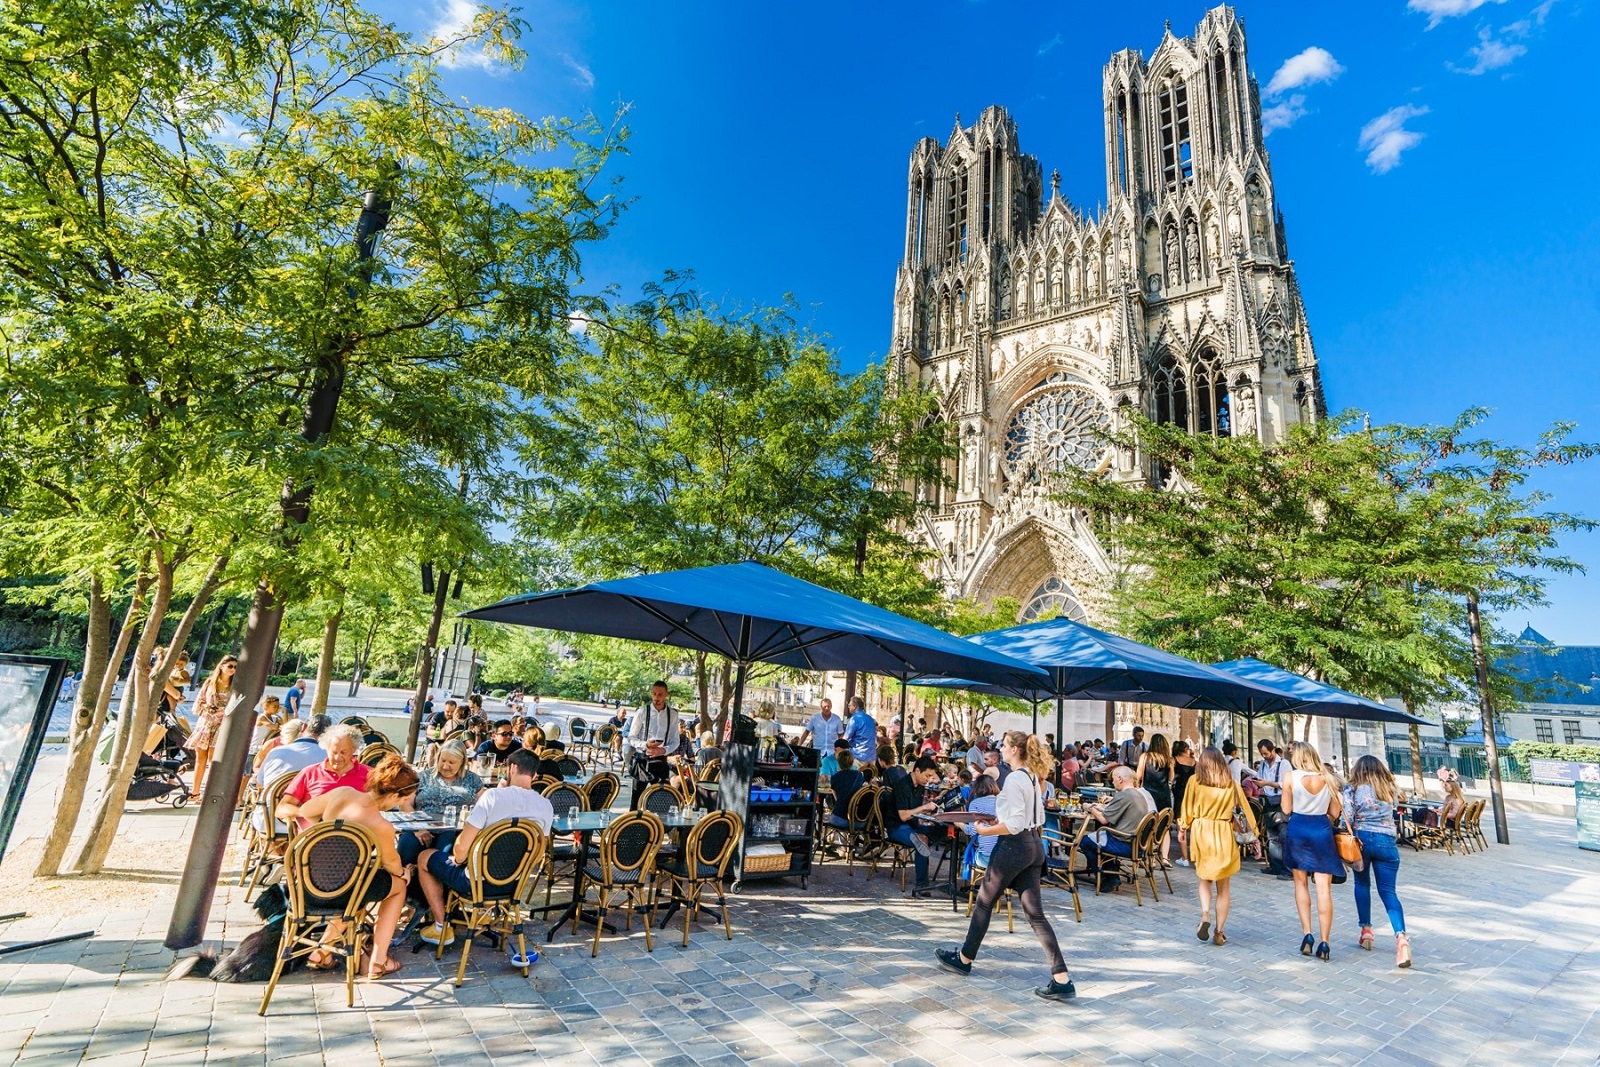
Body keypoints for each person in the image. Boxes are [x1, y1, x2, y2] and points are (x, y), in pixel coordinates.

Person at [936, 731, 1075, 1001]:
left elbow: (1013, 824)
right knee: (1035, 915)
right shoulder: (1033, 777)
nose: (1001, 748)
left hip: (1014, 845)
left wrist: (983, 830)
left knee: (985, 901)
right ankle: (1061, 978)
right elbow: (1033, 816)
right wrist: (995, 821)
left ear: (1014, 750)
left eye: (1004, 745)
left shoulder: (1013, 779)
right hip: (1035, 845)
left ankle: (964, 958)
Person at [416, 748, 554, 946]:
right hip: (513, 884)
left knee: (425, 857)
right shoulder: (545, 805)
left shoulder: (493, 797)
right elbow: (539, 852)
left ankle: (440, 926)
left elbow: (461, 849)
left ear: (512, 768)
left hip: (476, 883)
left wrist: (459, 859)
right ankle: (483, 914)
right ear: (534, 774)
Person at [297, 755, 419, 978]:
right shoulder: (381, 825)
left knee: (359, 880)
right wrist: (405, 872)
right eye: (403, 799)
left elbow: (305, 811)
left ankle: (323, 951)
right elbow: (391, 864)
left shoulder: (342, 793)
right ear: (393, 794)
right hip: (346, 892)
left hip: (309, 884)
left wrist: (326, 838)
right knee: (398, 885)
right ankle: (379, 961)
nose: (401, 804)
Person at [1177, 746, 1258, 947]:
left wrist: (1183, 827)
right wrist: (1254, 837)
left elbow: (1186, 807)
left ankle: (1205, 913)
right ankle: (1219, 932)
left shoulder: (1194, 782)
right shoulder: (1232, 785)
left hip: (1201, 830)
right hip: (1223, 831)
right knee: (1223, 887)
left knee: (1204, 878)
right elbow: (1244, 813)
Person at [1343, 755, 1411, 968]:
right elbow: (1400, 805)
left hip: (1361, 840)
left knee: (1362, 884)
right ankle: (1401, 937)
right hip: (1387, 841)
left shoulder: (1352, 789)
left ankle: (1366, 931)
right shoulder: (1390, 788)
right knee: (1389, 891)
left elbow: (1347, 815)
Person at [1281, 741, 1343, 961]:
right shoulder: (1329, 778)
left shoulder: (1290, 777)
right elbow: (1334, 812)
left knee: (1300, 883)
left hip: (1298, 828)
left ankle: (1307, 934)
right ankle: (1325, 941)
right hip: (1321, 830)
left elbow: (1286, 809)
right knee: (1324, 889)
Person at [400, 739, 485, 864]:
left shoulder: (472, 780)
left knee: (446, 848)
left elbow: (484, 806)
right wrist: (418, 828)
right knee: (407, 843)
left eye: (451, 762)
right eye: (442, 760)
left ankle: (435, 880)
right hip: (420, 826)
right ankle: (405, 879)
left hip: (455, 830)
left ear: (461, 762)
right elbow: (405, 803)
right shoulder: (423, 777)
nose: (445, 766)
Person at [276, 724, 370, 830]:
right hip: (316, 836)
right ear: (326, 749)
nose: (337, 757)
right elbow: (281, 808)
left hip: (357, 836)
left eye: (343, 752)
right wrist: (306, 813)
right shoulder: (310, 772)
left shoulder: (368, 774)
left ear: (353, 750)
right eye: (333, 752)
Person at [1079, 765, 1154, 887]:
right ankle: (1112, 873)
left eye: (1113, 779)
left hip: (1124, 843)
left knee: (1085, 841)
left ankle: (1105, 877)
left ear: (1120, 779)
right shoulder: (1138, 794)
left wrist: (1090, 808)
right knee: (1098, 837)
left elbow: (1103, 820)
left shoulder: (1124, 795)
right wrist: (1101, 808)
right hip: (1137, 844)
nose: (1112, 783)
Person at [880, 755, 943, 890]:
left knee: (943, 829)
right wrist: (924, 808)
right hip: (897, 827)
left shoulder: (920, 785)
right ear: (917, 771)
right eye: (927, 775)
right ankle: (921, 886)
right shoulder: (902, 785)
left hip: (912, 826)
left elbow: (916, 810)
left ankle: (928, 877)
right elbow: (903, 816)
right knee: (921, 840)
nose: (928, 779)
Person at [184, 655, 237, 793]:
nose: (233, 669)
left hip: (221, 725)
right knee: (200, 759)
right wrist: (207, 707)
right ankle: (195, 792)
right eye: (230, 666)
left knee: (213, 760)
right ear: (221, 666)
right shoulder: (210, 682)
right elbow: (198, 703)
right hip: (206, 723)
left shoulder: (235, 685)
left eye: (235, 667)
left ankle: (208, 792)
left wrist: (222, 710)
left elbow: (235, 706)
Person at [627, 681, 679, 807]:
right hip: (642, 760)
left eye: (660, 694)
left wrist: (663, 750)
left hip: (660, 761)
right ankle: (632, 824)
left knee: (661, 799)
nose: (656, 697)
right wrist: (646, 745)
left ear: (666, 694)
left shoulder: (672, 714)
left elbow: (675, 740)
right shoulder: (642, 712)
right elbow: (631, 738)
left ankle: (659, 826)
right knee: (636, 799)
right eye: (654, 694)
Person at [1135, 733, 1175, 864]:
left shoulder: (1145, 757)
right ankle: (1165, 858)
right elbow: (1171, 778)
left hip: (1148, 794)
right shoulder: (1168, 760)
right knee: (1165, 826)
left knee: (1148, 824)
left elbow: (1139, 775)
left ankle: (1148, 857)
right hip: (1163, 794)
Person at [959, 772, 1001, 887]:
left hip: (987, 858)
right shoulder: (1002, 802)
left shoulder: (975, 803)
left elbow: (971, 831)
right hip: (1004, 857)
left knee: (972, 849)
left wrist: (957, 823)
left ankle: (972, 884)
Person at [1171, 741, 1197, 866]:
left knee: (1181, 826)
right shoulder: (1193, 761)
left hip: (1179, 793)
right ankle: (1196, 857)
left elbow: (1171, 777)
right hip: (1192, 793)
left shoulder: (1174, 760)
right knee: (1193, 825)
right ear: (1186, 749)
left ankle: (1184, 858)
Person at [826, 749, 866, 827]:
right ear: (852, 762)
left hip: (840, 817)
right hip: (858, 819)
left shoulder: (835, 777)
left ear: (839, 762)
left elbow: (836, 798)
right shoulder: (859, 776)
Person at [843, 697, 876, 766]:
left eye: (849, 705)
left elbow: (846, 738)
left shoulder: (854, 719)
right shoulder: (870, 719)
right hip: (871, 755)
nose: (848, 707)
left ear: (854, 706)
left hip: (858, 755)